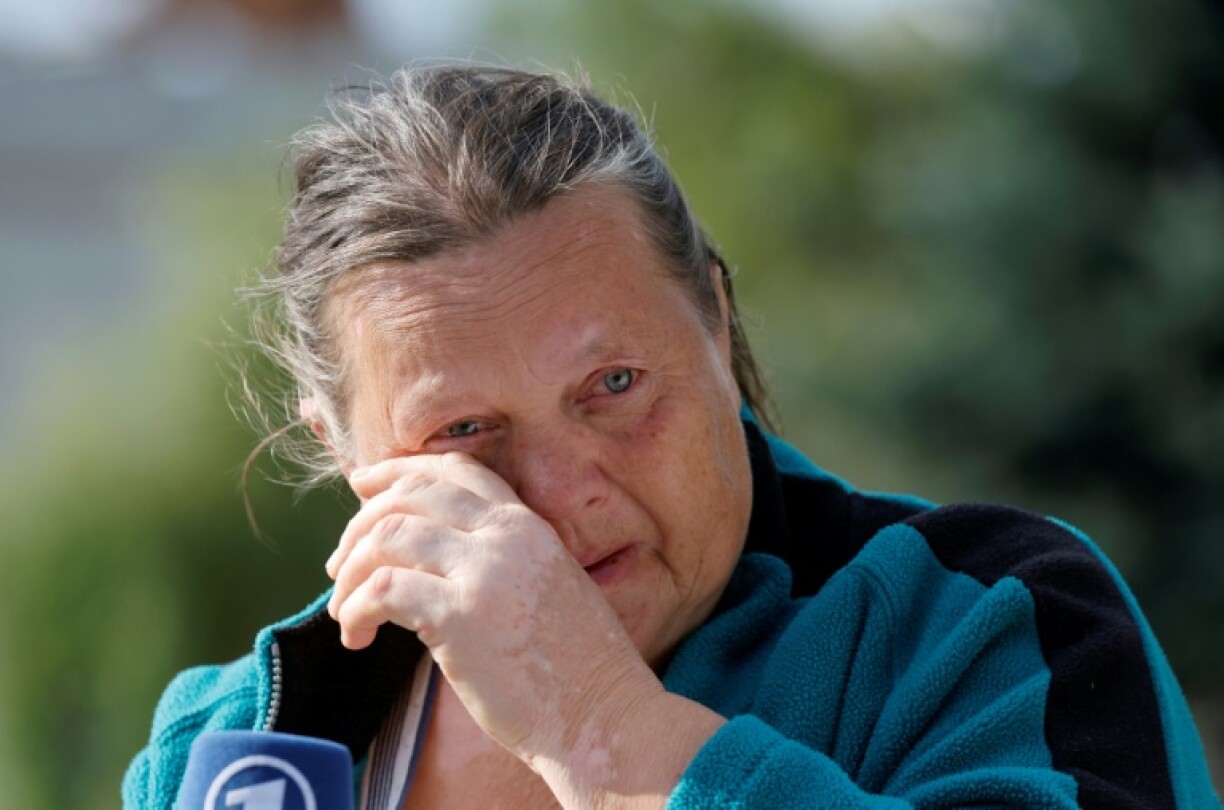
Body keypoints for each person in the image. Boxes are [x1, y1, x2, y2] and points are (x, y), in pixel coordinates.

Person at [123, 65, 1220, 809]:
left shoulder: (985, 624)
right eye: (464, 432)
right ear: (347, 453)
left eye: (614, 384)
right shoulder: (232, 743)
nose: (564, 494)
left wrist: (600, 730)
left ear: (716, 320)